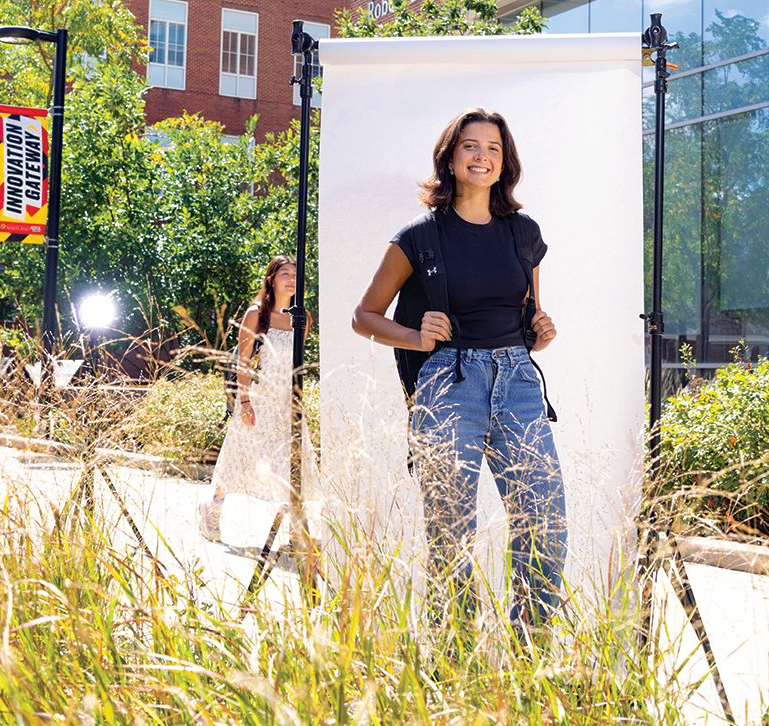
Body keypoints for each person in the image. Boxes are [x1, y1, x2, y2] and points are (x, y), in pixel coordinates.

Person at [350, 108, 564, 639]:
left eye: (493, 148)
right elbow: (363, 317)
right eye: (471, 146)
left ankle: (529, 653)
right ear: (450, 156)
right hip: (448, 384)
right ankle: (455, 659)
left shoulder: (524, 233)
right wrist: (415, 336)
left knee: (545, 519)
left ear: (504, 162)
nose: (482, 157)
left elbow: (527, 311)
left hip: (517, 381)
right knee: (451, 532)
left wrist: (540, 329)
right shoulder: (421, 236)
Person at [200, 256, 310, 543]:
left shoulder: (303, 317)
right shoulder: (256, 314)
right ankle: (213, 507)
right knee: (240, 457)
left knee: (292, 462)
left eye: (295, 275)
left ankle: (296, 531)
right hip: (259, 398)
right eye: (284, 273)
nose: (290, 279)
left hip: (289, 399)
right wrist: (244, 402)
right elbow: (243, 362)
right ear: (271, 279)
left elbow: (297, 364)